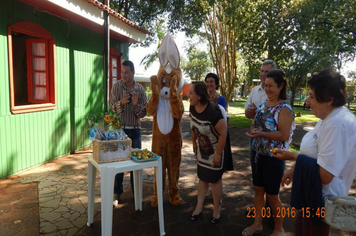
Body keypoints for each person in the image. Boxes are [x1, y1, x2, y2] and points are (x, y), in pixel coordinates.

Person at [273, 68, 356, 235]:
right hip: (312, 195)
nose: (307, 102)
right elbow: (315, 154)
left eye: (311, 96)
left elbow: (325, 176)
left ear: (329, 99)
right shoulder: (328, 118)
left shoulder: (338, 124)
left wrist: (293, 156)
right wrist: (293, 169)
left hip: (321, 201)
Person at [244, 70, 295, 236]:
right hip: (258, 156)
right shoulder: (262, 106)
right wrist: (253, 131)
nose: (267, 89)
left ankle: (279, 229)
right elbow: (254, 124)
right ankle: (257, 224)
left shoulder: (284, 108)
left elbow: (283, 135)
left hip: (274, 158)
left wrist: (261, 134)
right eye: (265, 85)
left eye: (271, 86)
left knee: (273, 196)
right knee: (258, 190)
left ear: (281, 86)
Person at [110, 60, 147, 206]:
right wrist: (123, 103)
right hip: (120, 131)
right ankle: (117, 192)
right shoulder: (116, 86)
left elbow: (143, 113)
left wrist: (136, 104)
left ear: (133, 72)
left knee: (136, 162)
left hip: (135, 131)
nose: (123, 75)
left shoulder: (141, 90)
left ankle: (136, 192)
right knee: (119, 162)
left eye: (126, 72)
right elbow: (112, 108)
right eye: (122, 72)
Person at [189, 81, 227, 224]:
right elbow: (193, 125)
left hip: (216, 151)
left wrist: (217, 155)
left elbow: (223, 133)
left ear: (199, 96)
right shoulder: (192, 108)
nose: (188, 95)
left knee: (215, 180)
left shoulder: (213, 111)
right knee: (203, 177)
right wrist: (193, 141)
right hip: (202, 151)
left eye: (191, 93)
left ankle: (216, 211)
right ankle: (199, 207)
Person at [205, 73, 233, 171]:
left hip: (218, 134)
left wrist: (214, 105)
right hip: (206, 133)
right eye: (207, 82)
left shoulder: (221, 99)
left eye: (212, 82)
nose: (209, 84)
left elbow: (221, 116)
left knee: (218, 165)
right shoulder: (203, 98)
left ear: (216, 84)